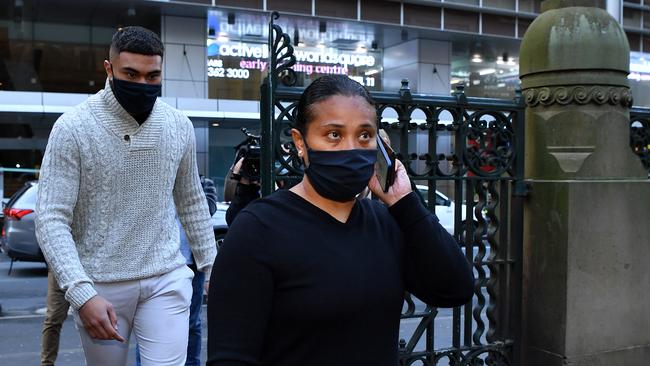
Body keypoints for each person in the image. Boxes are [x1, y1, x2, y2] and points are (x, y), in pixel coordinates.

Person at [206, 75, 474, 366]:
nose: (351, 147)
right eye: (334, 135)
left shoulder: (387, 222)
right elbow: (230, 357)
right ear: (300, 142)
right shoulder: (258, 229)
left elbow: (455, 288)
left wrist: (406, 202)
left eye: (364, 135)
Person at [35, 26, 216, 366]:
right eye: (131, 74)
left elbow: (191, 202)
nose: (143, 84)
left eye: (153, 76)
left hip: (167, 276)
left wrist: (213, 265)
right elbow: (50, 217)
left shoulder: (179, 126)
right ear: (109, 69)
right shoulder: (72, 127)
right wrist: (81, 292)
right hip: (100, 284)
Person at [135, 175, 218, 366]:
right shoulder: (154, 180)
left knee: (192, 323)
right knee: (148, 324)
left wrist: (187, 189)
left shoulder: (203, 182)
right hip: (158, 262)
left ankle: (191, 363)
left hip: (191, 264)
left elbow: (207, 211)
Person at [40, 271, 70, 366]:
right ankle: (47, 363)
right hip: (61, 270)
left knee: (94, 318)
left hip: (88, 267)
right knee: (53, 319)